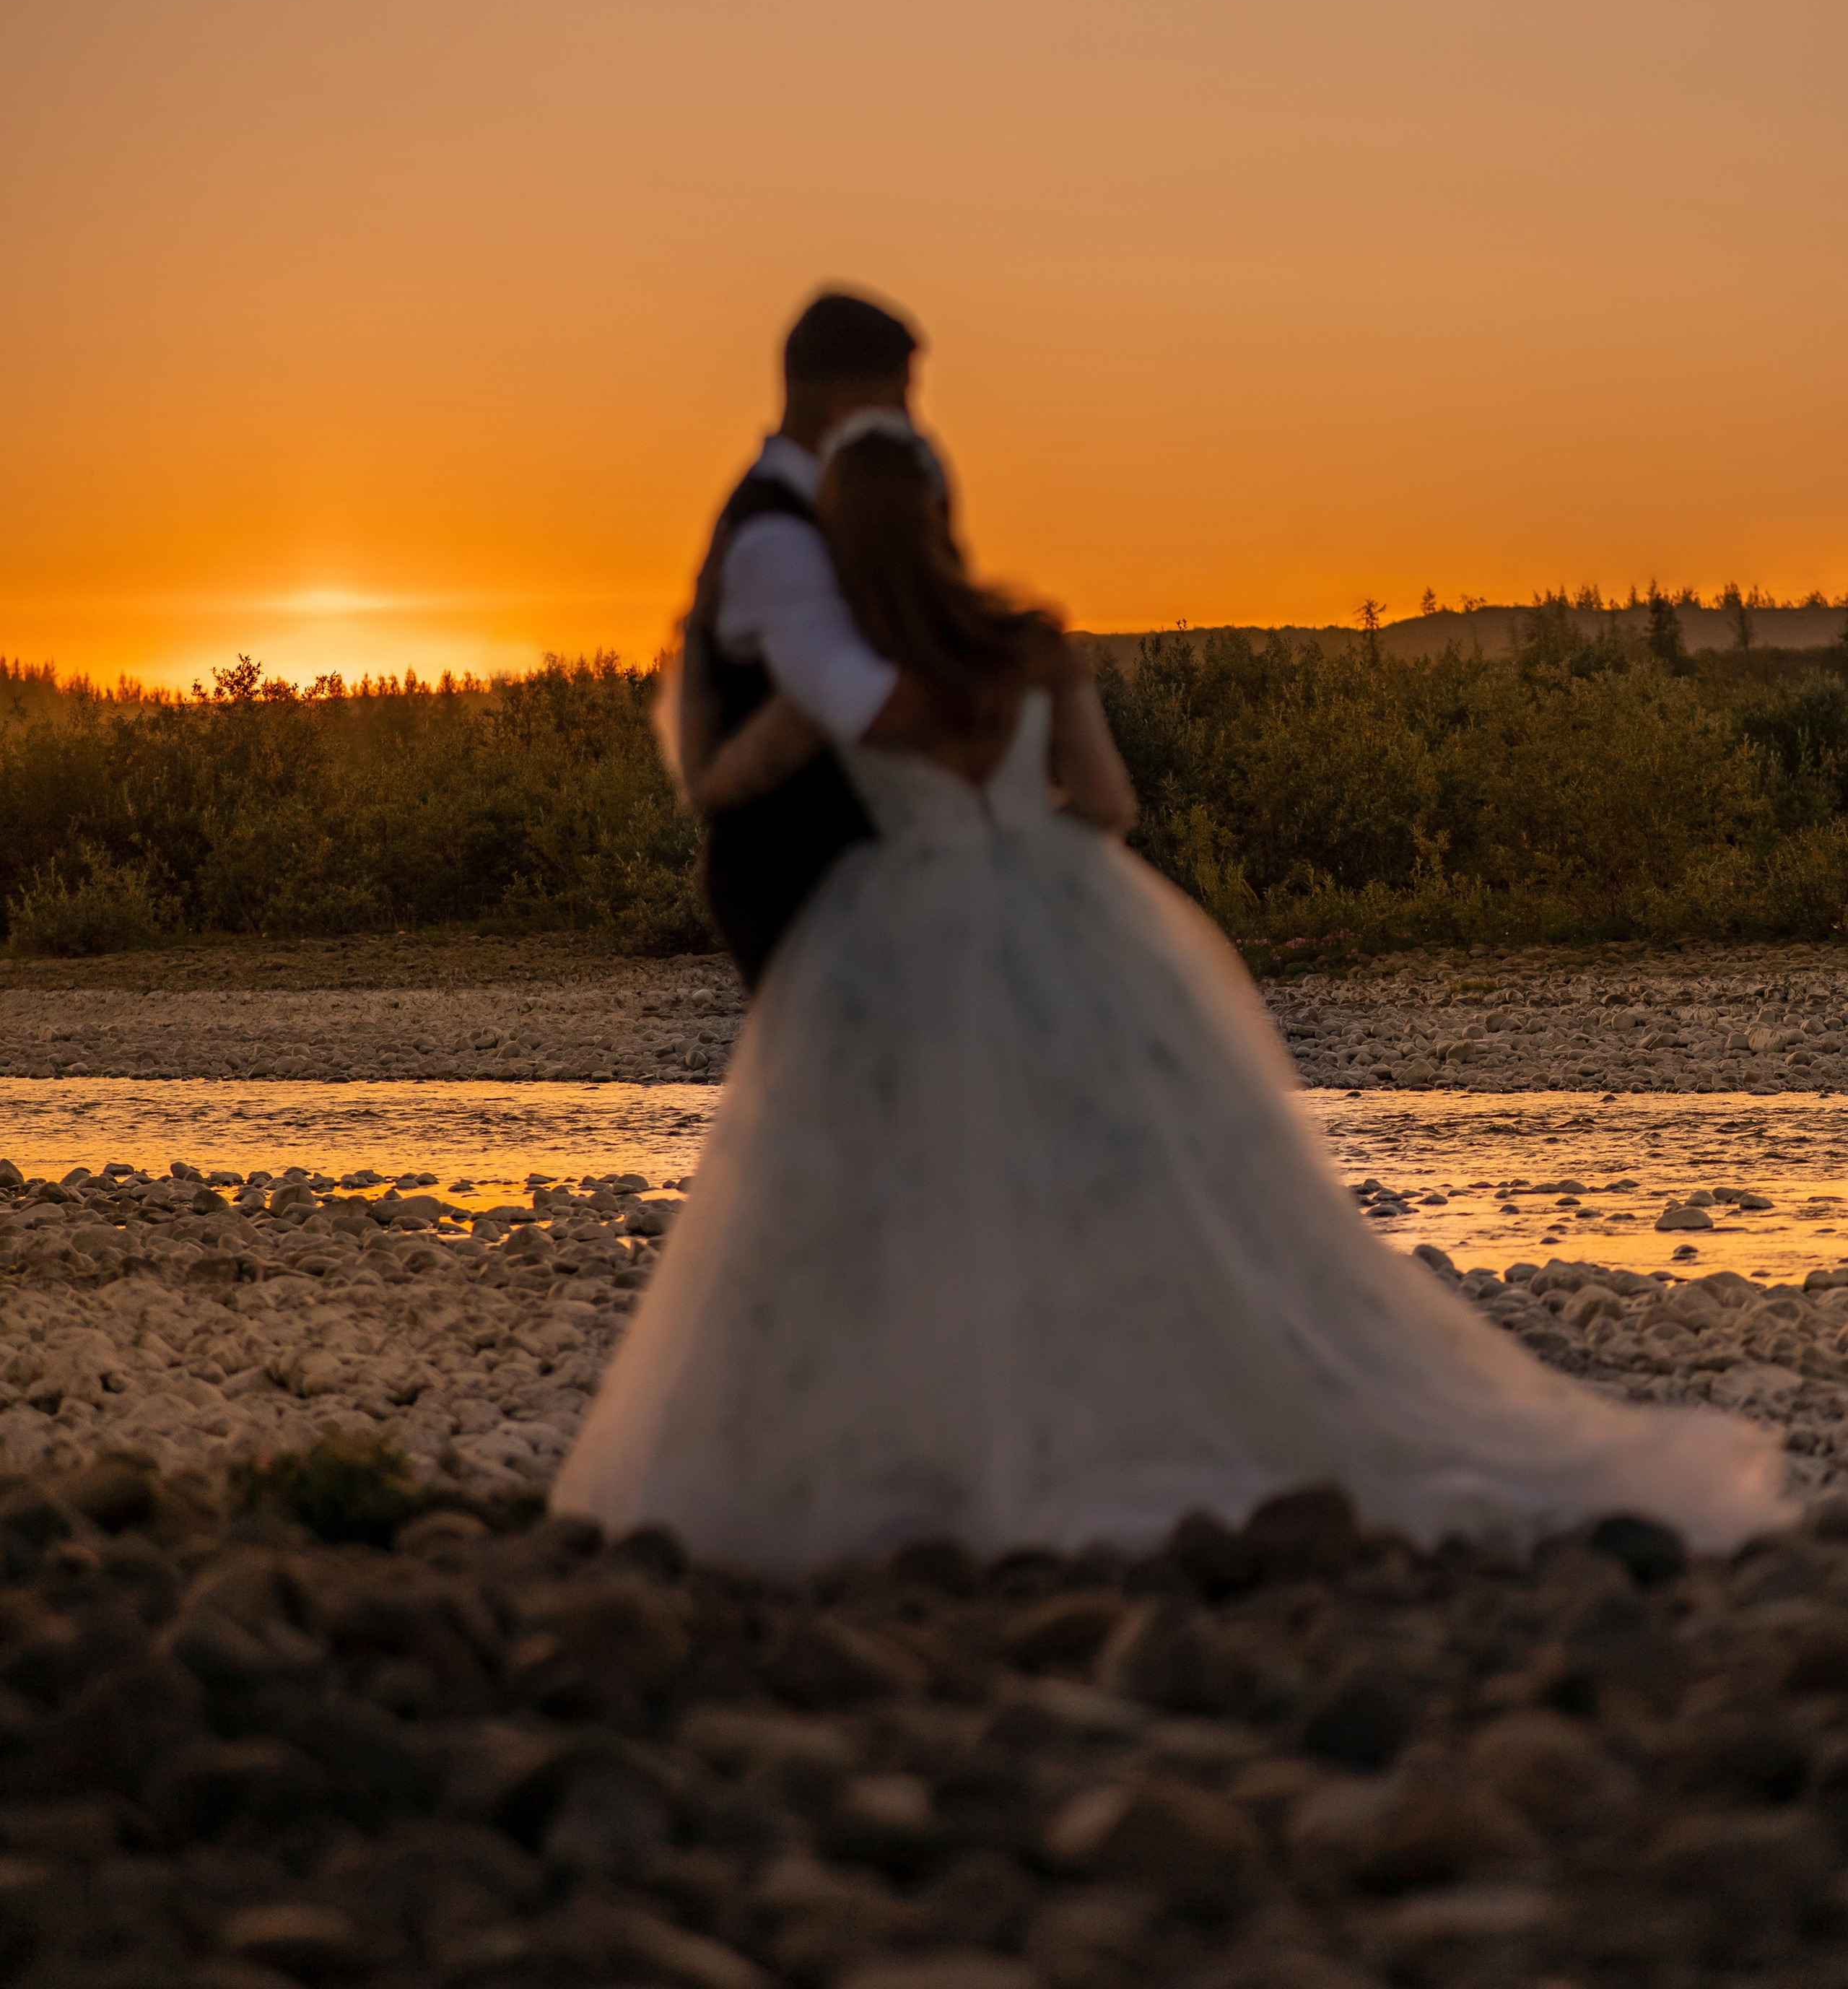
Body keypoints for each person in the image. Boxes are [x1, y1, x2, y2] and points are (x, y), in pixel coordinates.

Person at [556, 420, 1790, 1571]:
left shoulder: (842, 684)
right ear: (945, 518)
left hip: (897, 926)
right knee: (1120, 1170)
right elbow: (1108, 806)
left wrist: (699, 677)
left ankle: (951, 1432)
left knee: (922, 1176)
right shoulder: (1033, 647)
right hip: (1062, 915)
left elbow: (723, 781)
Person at [678, 289, 921, 989]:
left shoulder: (829, 512)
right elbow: (854, 702)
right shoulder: (776, 539)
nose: (912, 425)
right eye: (900, 401)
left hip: (848, 870)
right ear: (847, 409)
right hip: (797, 875)